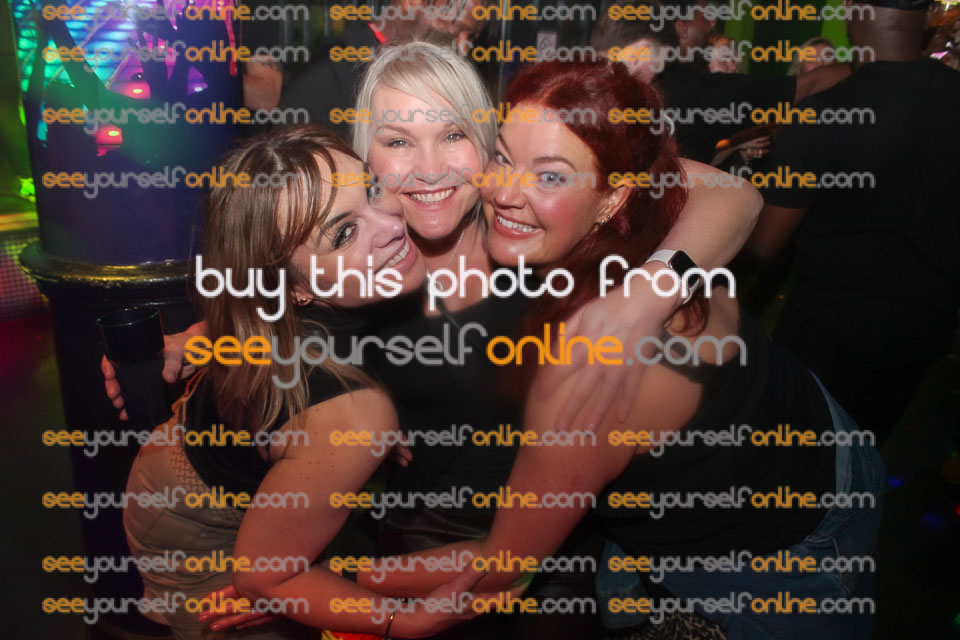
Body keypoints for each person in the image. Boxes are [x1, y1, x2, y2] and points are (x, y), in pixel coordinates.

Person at [109, 41, 766, 638]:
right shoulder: (372, 248)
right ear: (365, 155)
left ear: (490, 146)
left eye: (453, 134)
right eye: (397, 141)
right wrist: (199, 339)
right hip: (291, 503)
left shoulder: (527, 215)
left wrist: (650, 291)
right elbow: (281, 286)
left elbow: (731, 193)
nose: (428, 170)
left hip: (510, 514)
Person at [349, 59, 885, 640]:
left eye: (550, 177)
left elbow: (503, 566)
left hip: (786, 544)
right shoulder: (638, 223)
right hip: (804, 417)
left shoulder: (587, 360)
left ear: (612, 200)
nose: (504, 191)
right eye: (504, 158)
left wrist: (328, 579)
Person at [121, 125, 494, 639]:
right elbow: (264, 577)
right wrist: (403, 622)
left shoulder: (291, 311)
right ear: (296, 290)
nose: (389, 224)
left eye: (371, 189)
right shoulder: (355, 418)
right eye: (343, 234)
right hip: (192, 520)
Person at [746, 0, 960, 448]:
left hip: (827, 333)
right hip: (924, 330)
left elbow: (764, 246)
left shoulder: (824, 113)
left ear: (849, 9)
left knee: (795, 458)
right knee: (865, 454)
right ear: (928, 16)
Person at [590, 0, 852, 163]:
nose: (713, 22)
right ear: (681, 28)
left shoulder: (604, 85)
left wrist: (736, 142)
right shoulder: (703, 91)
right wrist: (868, 64)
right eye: (706, 15)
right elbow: (807, 86)